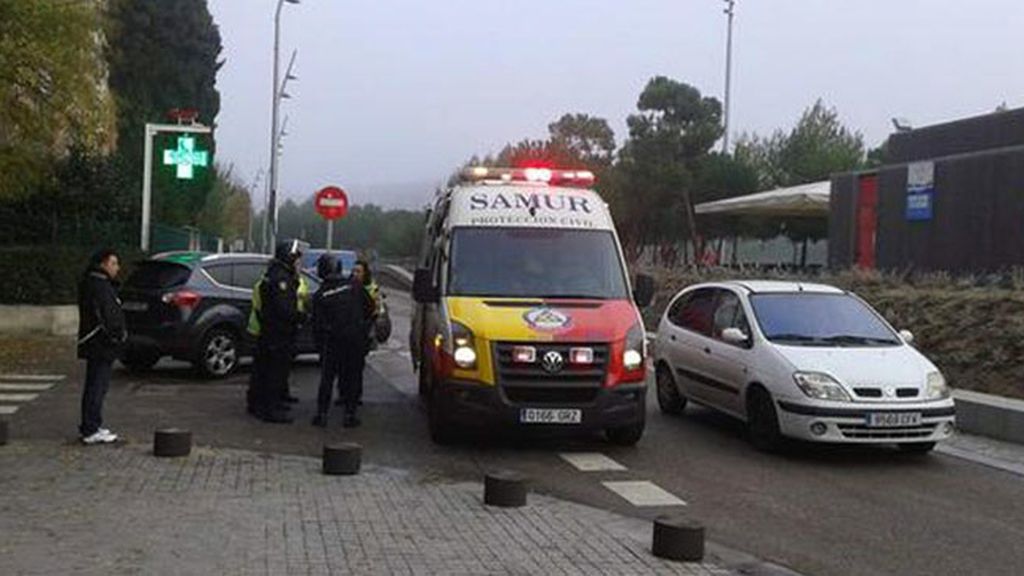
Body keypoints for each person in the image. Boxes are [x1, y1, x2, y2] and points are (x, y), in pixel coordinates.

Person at [246, 240, 307, 424]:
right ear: (288, 257)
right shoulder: (281, 278)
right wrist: (300, 316)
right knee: (274, 371)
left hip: (270, 330)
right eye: (295, 258)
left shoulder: (274, 273)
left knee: (263, 368)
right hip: (277, 332)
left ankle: (258, 403)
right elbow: (283, 308)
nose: (298, 262)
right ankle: (270, 410)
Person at [312, 254, 370, 428]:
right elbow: (370, 308)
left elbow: (317, 324)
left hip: (332, 341)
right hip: (354, 339)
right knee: (352, 377)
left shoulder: (321, 294)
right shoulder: (354, 285)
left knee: (327, 378)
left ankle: (322, 414)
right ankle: (350, 415)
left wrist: (320, 346)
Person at [76, 248, 126, 445]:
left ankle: (92, 425)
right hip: (100, 343)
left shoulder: (96, 283)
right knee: (97, 386)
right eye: (114, 263)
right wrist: (116, 336)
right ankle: (91, 428)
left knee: (96, 385)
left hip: (97, 342)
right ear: (104, 264)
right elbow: (106, 315)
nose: (117, 268)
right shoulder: (99, 285)